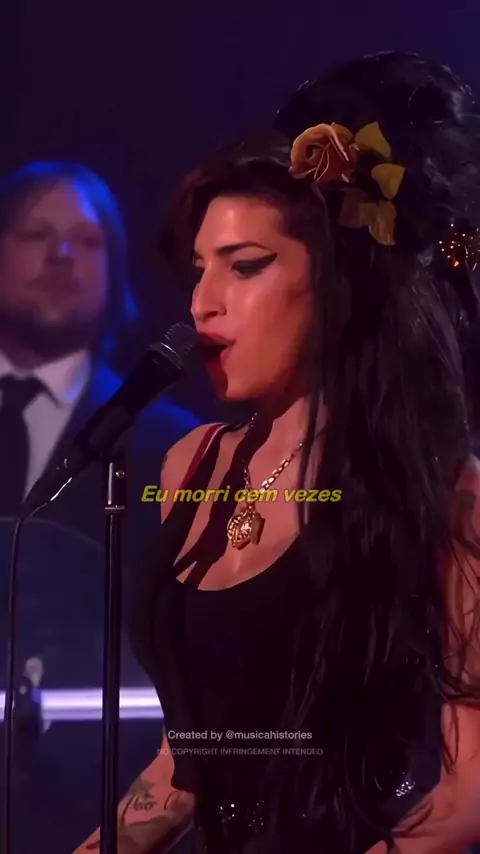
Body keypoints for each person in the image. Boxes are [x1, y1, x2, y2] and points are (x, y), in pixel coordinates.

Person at [74, 52, 480, 854]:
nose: (202, 304)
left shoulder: (444, 494)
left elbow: (468, 786)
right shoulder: (191, 467)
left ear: (335, 284)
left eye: (246, 267)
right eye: (198, 271)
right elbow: (190, 762)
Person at [0, 161, 201, 853]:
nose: (61, 254)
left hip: (98, 807)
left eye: (86, 241)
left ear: (115, 272)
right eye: (37, 234)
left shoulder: (175, 447)